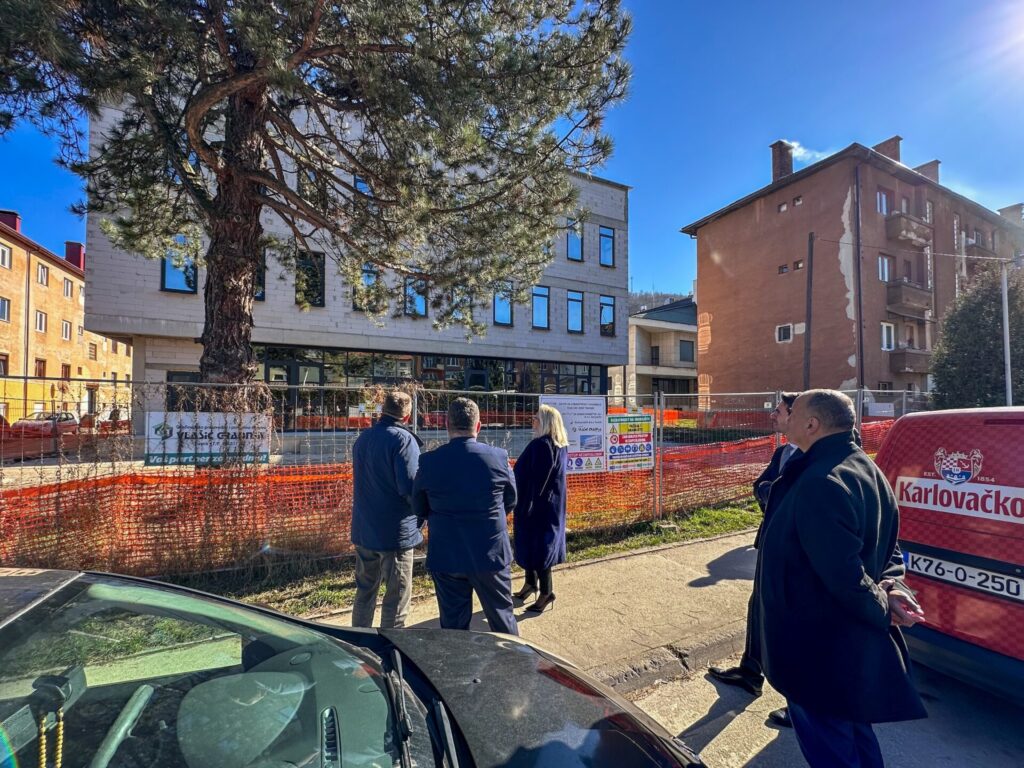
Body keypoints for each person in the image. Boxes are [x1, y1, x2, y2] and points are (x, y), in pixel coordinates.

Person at [756, 390, 926, 768]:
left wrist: (885, 605)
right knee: (854, 735)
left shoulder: (823, 481)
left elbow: (845, 575)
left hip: (818, 651)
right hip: (844, 650)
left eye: (792, 413)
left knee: (831, 746)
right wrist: (893, 588)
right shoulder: (864, 468)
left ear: (812, 424)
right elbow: (888, 551)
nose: (784, 418)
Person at [709, 392, 800, 728]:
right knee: (758, 606)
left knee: (793, 620)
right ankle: (750, 673)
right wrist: (770, 494)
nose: (772, 415)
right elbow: (761, 485)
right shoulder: (783, 452)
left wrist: (773, 494)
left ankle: (801, 702)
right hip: (770, 545)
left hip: (796, 552)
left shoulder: (813, 457)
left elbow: (787, 498)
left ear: (797, 415)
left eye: (778, 411)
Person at [413, 397, 519, 635]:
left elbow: (418, 507)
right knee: (502, 620)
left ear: (446, 425)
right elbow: (511, 500)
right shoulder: (498, 457)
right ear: (478, 426)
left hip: (447, 554)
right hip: (490, 552)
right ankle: (512, 658)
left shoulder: (429, 462)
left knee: (454, 628)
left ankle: (459, 659)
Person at [349, 390, 422, 629]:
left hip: (364, 530)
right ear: (407, 415)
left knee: (364, 592)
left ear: (383, 410)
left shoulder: (364, 438)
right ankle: (391, 644)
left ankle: (358, 639)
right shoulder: (403, 440)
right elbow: (410, 487)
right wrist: (423, 513)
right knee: (396, 598)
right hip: (395, 533)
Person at [512, 404, 569, 613]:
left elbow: (539, 481)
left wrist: (527, 506)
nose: (533, 421)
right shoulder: (558, 445)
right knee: (534, 546)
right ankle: (530, 583)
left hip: (537, 508)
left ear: (545, 422)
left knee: (539, 549)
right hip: (549, 506)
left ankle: (546, 592)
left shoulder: (542, 445)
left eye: (536, 418)